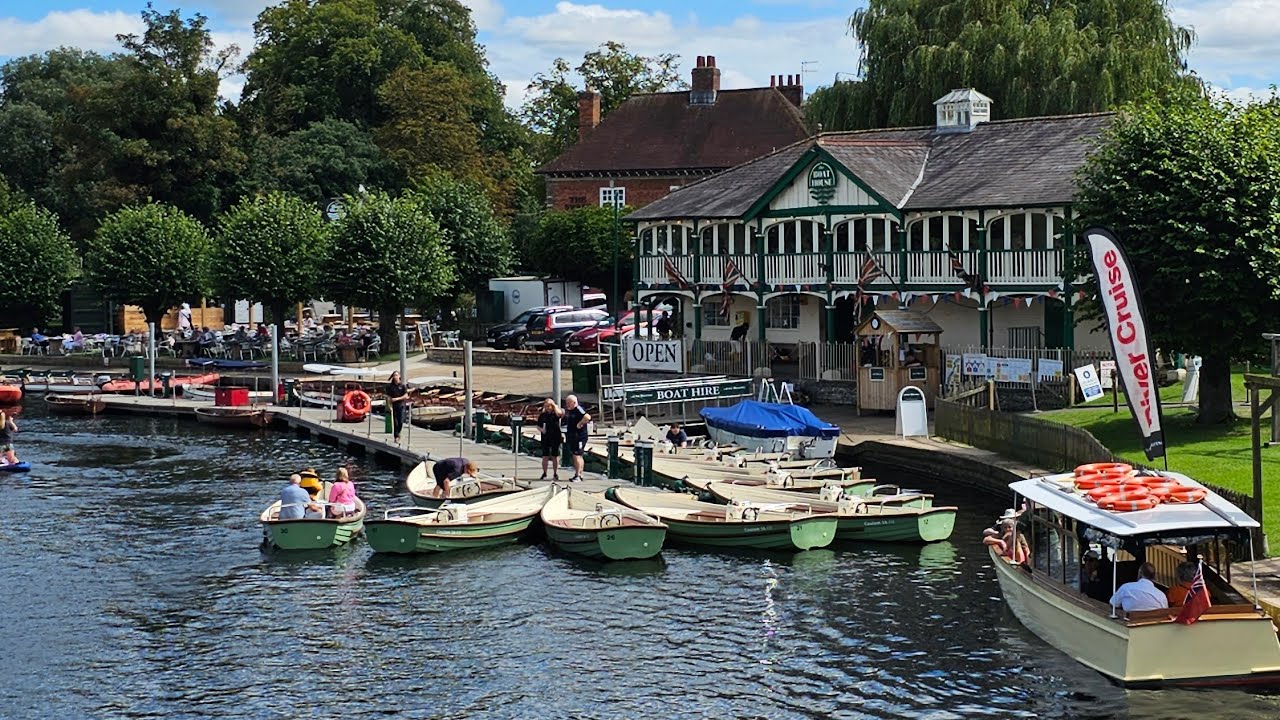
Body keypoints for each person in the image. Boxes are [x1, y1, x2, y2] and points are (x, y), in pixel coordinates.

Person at [563, 394, 591, 482]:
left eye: (569, 403)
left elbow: (587, 417)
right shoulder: (570, 411)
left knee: (577, 455)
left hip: (579, 436)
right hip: (573, 436)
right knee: (578, 455)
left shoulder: (578, 409)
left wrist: (580, 424)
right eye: (566, 403)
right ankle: (579, 473)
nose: (567, 405)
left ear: (574, 402)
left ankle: (578, 475)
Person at [537, 398, 563, 481]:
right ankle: (544, 472)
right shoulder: (543, 415)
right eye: (546, 406)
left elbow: (561, 414)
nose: (548, 408)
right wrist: (541, 430)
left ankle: (555, 473)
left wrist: (555, 406)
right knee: (545, 455)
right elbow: (538, 425)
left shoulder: (555, 413)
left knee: (555, 455)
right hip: (545, 436)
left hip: (555, 436)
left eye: (549, 406)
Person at [385, 371, 410, 442]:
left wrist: (397, 399)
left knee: (401, 421)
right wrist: (389, 401)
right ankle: (396, 436)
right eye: (394, 375)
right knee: (395, 421)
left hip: (401, 405)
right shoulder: (390, 386)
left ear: (399, 376)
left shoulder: (402, 386)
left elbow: (406, 396)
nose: (395, 377)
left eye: (396, 375)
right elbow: (387, 395)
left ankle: (399, 432)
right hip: (393, 406)